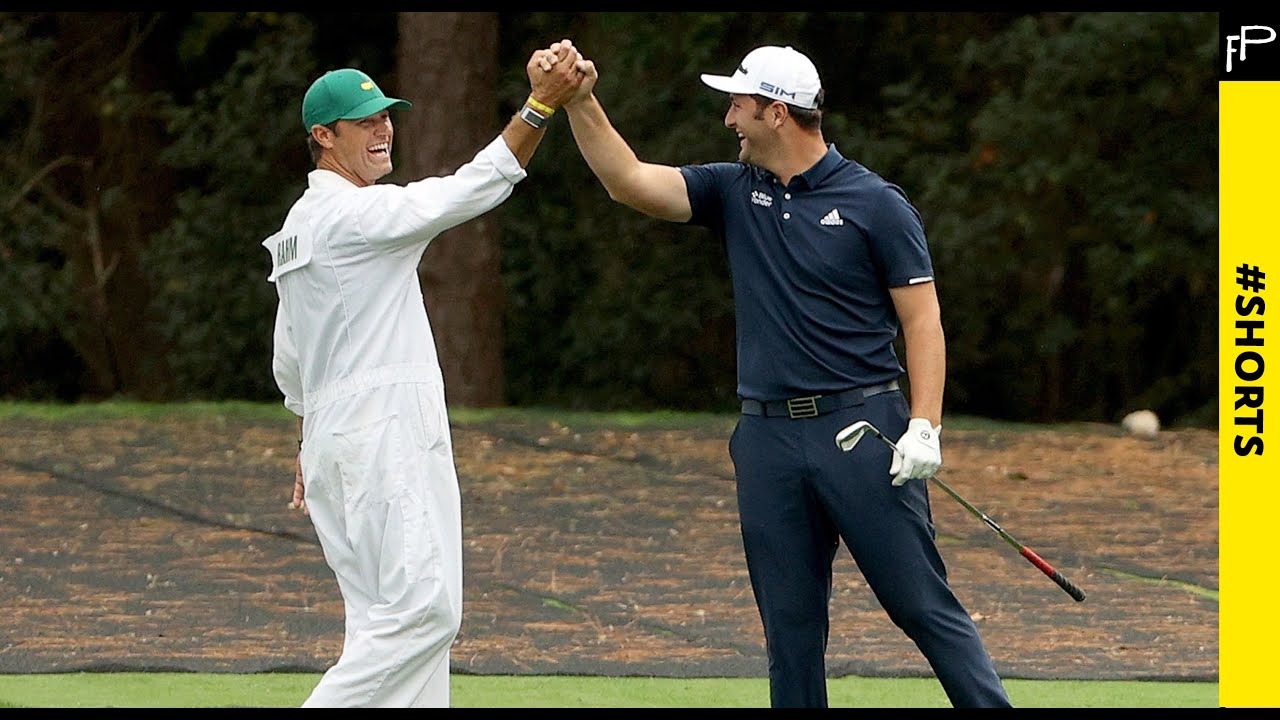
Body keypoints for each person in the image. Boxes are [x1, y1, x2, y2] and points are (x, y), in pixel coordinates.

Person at [548, 43, 1012, 708]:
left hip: (864, 433)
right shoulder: (735, 190)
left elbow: (923, 321)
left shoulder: (875, 204)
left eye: (738, 104)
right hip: (767, 442)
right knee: (790, 632)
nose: (728, 118)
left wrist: (925, 425)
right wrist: (581, 101)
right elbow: (629, 181)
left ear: (777, 113)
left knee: (921, 606)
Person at [262, 41, 585, 708]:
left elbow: (289, 354)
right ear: (322, 137)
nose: (383, 128)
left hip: (336, 439)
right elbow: (467, 190)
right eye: (364, 121)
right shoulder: (354, 215)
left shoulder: (300, 223)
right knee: (425, 614)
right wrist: (539, 106)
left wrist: (306, 435)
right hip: (382, 438)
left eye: (385, 115)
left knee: (389, 625)